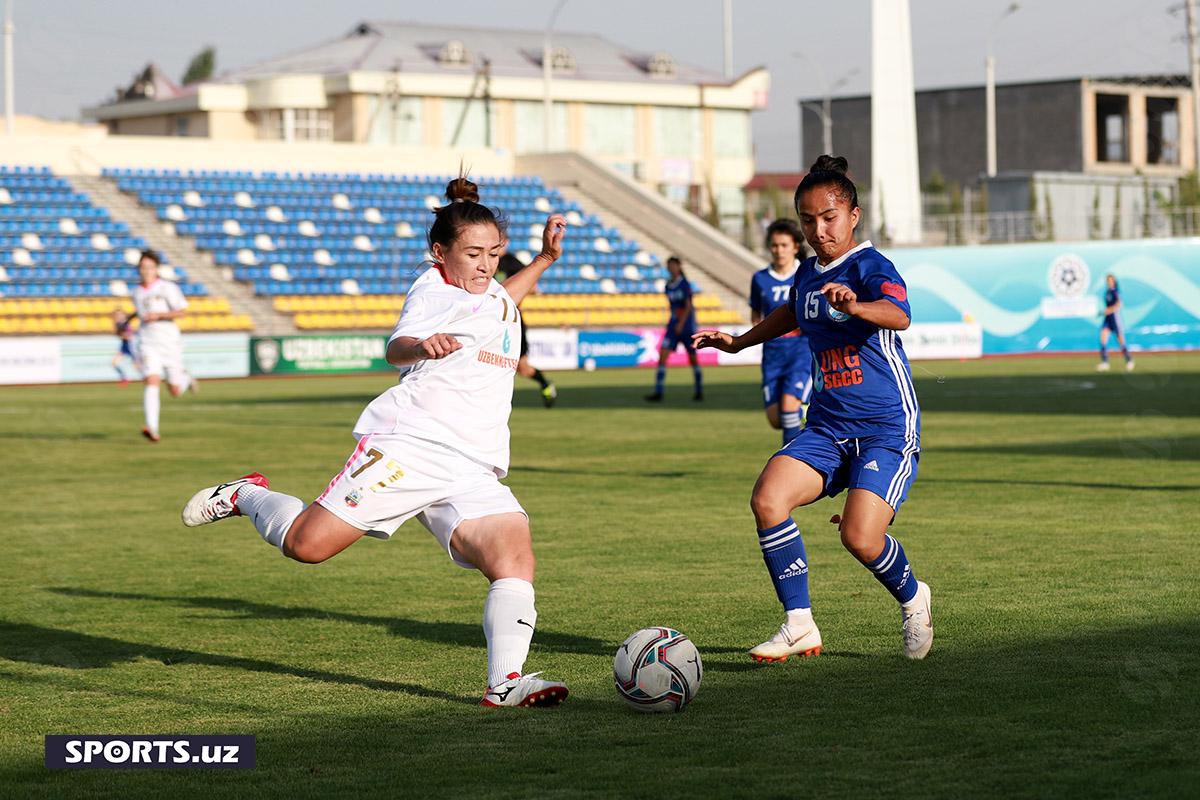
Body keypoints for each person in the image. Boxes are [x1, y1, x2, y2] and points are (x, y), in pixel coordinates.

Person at [182, 177, 571, 708]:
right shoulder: (433, 289)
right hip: (411, 447)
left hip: (473, 462)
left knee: (514, 559)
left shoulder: (491, 291)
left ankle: (504, 683)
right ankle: (246, 494)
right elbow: (396, 347)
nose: (486, 265)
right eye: (474, 254)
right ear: (440, 252)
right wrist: (421, 346)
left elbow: (504, 300)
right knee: (306, 546)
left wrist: (544, 260)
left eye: (495, 254)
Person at [693, 155, 933, 662]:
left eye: (828, 218)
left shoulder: (871, 267)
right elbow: (789, 311)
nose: (817, 230)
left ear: (853, 216)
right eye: (807, 220)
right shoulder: (807, 272)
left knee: (859, 538)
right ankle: (799, 624)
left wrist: (855, 306)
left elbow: (900, 314)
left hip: (886, 427)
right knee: (768, 498)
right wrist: (738, 342)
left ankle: (914, 598)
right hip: (827, 425)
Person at [750, 219, 813, 445]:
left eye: (784, 245)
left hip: (802, 351)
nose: (779, 250)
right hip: (773, 354)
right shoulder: (760, 279)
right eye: (775, 245)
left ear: (795, 247)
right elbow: (756, 314)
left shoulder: (806, 274)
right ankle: (807, 411)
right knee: (776, 419)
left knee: (788, 407)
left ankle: (790, 462)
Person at [131, 250, 194, 442]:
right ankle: (152, 428)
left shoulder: (168, 288)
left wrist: (158, 316)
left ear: (156, 269)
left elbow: (181, 311)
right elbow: (141, 315)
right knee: (151, 380)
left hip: (169, 342)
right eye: (143, 267)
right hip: (148, 342)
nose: (146, 271)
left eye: (149, 267)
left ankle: (186, 379)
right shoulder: (136, 292)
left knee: (174, 390)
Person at [496, 244, 558, 407]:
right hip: (488, 319)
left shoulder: (511, 262)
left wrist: (513, 294)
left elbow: (533, 286)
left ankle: (545, 383)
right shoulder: (486, 261)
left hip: (511, 321)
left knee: (522, 367)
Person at [645, 256, 703, 402]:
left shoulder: (684, 284)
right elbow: (673, 307)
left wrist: (681, 323)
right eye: (668, 266)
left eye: (673, 265)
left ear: (679, 266)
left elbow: (688, 306)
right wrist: (673, 322)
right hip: (672, 326)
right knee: (662, 355)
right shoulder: (667, 285)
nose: (671, 268)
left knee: (693, 358)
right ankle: (659, 391)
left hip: (686, 327)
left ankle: (699, 390)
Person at [1097, 273, 1133, 372]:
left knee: (1120, 341)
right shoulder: (1107, 292)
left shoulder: (1115, 292)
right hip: (1107, 319)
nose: (1109, 282)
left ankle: (1129, 360)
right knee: (1103, 338)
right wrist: (1104, 312)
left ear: (1114, 281)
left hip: (1115, 318)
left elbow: (1119, 304)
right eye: (1108, 281)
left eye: (1111, 281)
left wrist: (1109, 310)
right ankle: (1105, 362)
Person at [111, 308, 141, 385]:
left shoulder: (125, 323)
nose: (118, 316)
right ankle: (125, 378)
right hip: (124, 345)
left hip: (131, 345)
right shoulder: (117, 324)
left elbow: (128, 335)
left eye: (120, 314)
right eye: (117, 315)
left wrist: (125, 335)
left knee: (137, 365)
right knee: (115, 363)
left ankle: (147, 377)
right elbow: (119, 334)